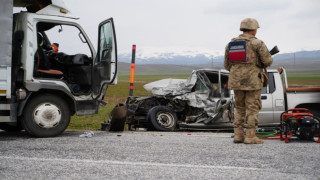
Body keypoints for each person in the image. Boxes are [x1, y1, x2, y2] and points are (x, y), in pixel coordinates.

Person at [224, 18, 273, 144]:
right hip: (252, 82)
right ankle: (250, 136)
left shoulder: (231, 44)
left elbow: (227, 65)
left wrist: (239, 72)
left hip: (236, 81)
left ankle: (238, 136)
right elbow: (268, 61)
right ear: (253, 29)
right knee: (252, 108)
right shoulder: (257, 43)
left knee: (239, 108)